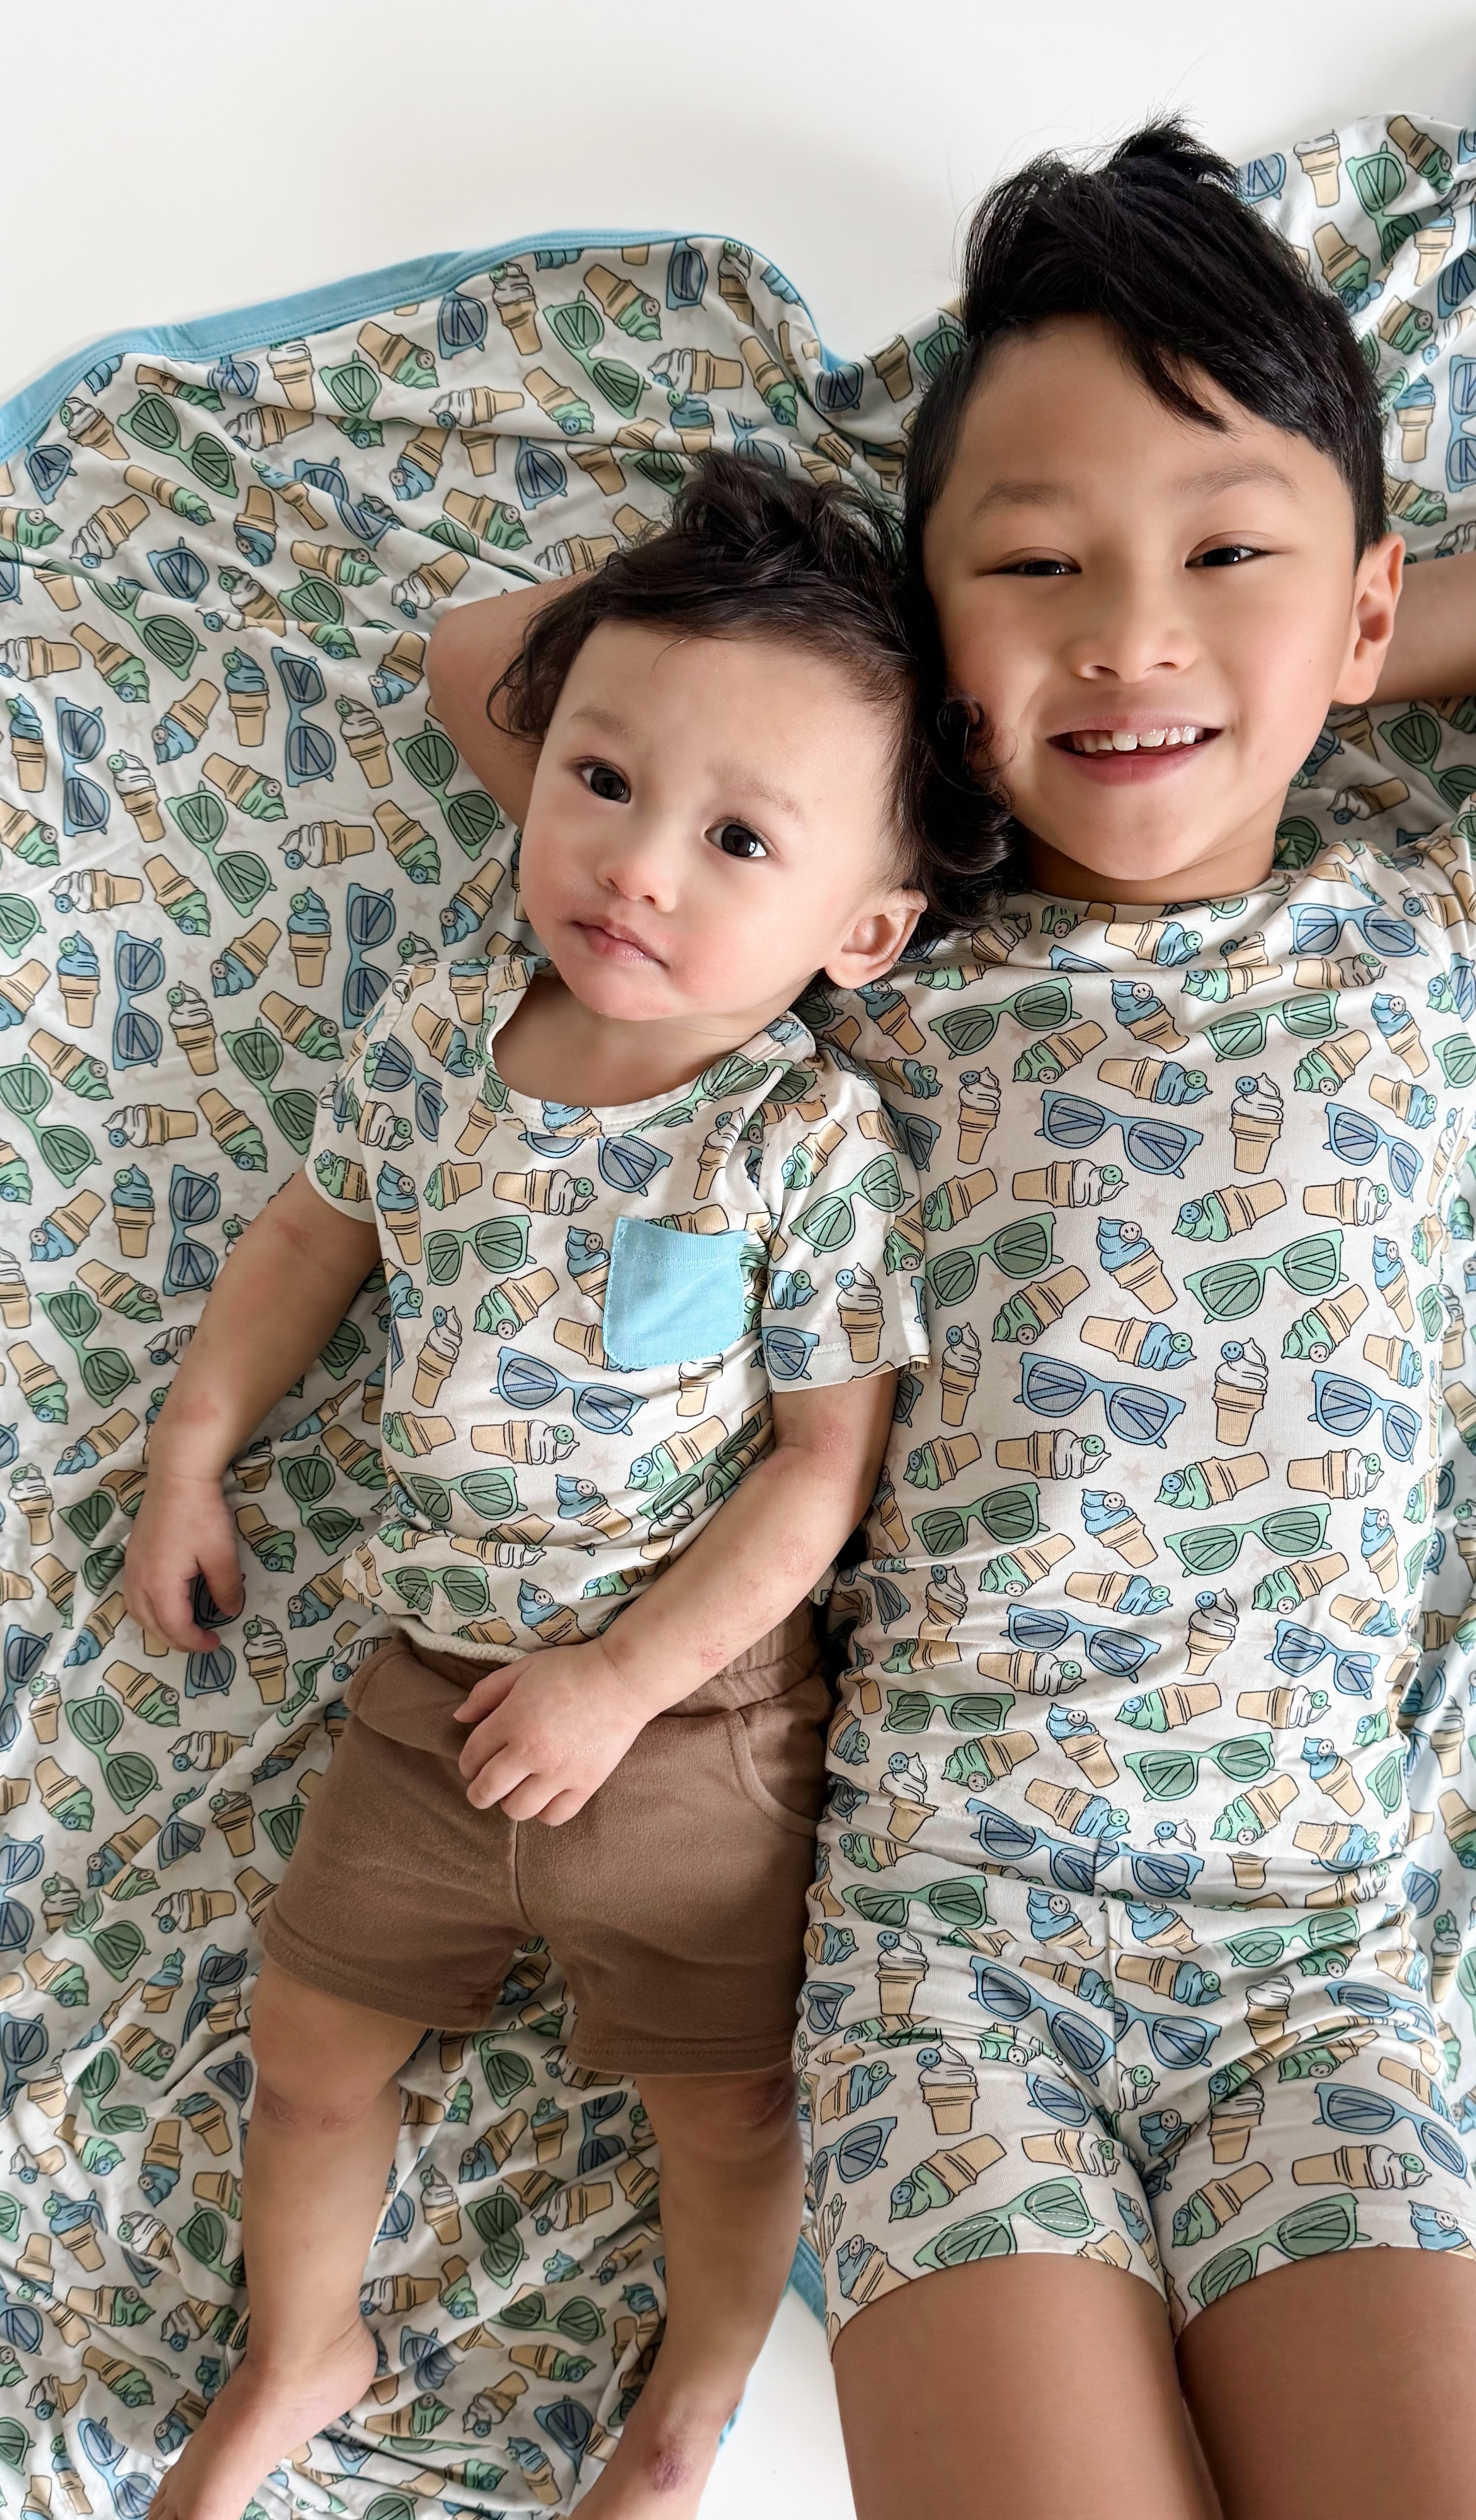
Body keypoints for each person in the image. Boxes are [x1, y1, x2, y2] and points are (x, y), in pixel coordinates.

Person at [425, 128, 1476, 2520]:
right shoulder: (863, 959)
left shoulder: (1426, 935)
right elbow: (495, 671)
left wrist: (1328, 651)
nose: (1129, 637)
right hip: (946, 1951)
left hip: (1306, 1959)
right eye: (1036, 565)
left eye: (1223, 556)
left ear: (1360, 607)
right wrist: (894, 705)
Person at [125, 454, 1007, 2520]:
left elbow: (822, 1475)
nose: (636, 866)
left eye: (737, 838)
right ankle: (298, 2344)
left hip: (686, 1725)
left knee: (724, 2109)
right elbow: (308, 1240)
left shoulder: (792, 1138)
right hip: (426, 1701)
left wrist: (621, 1679)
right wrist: (191, 1450)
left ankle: (689, 2405)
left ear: (864, 929)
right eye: (599, 780)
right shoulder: (447, 1028)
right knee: (306, 2051)